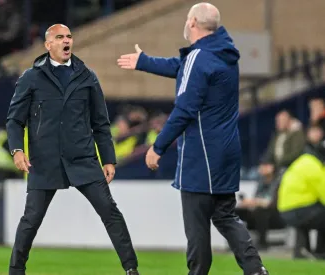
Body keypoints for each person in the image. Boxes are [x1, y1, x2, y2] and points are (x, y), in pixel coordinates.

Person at [117, 3, 268, 275]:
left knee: (197, 225)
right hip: (225, 151)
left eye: (187, 20)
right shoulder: (222, 53)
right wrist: (145, 61)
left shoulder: (200, 56)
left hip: (202, 155)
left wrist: (157, 146)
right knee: (225, 215)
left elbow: (185, 109)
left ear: (194, 23)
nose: (185, 24)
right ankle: (256, 270)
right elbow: (183, 66)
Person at [6, 24, 139, 275]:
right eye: (60, 37)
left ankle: (131, 269)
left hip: (83, 160)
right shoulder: (30, 78)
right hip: (44, 162)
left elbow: (100, 123)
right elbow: (14, 120)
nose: (67, 41)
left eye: (69, 36)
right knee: (31, 220)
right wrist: (17, 150)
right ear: (48, 45)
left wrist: (108, 159)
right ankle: (15, 271)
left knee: (110, 212)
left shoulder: (87, 76)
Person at [277, 124, 325, 259]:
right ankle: (321, 252)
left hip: (285, 209)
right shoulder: (315, 167)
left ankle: (303, 251)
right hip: (299, 210)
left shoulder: (303, 161)